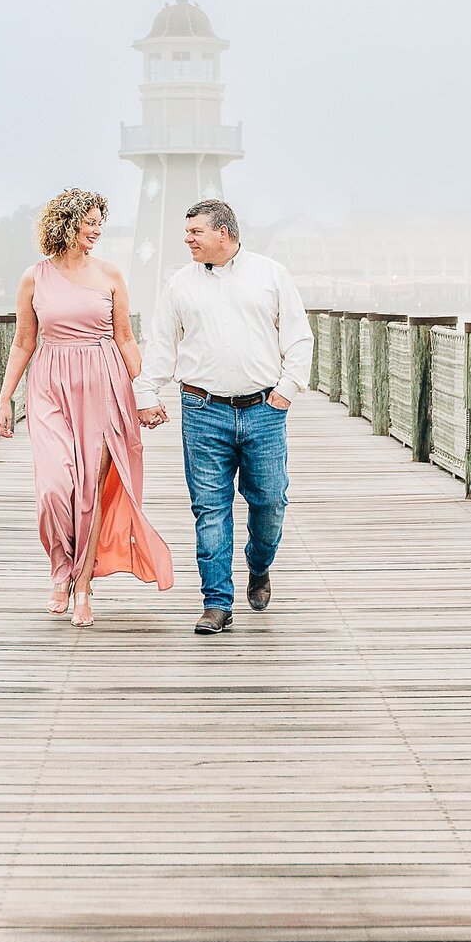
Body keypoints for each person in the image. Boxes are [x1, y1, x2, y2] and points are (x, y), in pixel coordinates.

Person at [0, 188, 173, 627]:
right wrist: (4, 400)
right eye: (89, 222)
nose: (96, 231)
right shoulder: (34, 278)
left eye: (100, 223)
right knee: (55, 488)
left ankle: (82, 585)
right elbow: (23, 342)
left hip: (105, 385)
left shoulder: (110, 275)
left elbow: (127, 339)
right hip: (50, 385)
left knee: (92, 492)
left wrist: (145, 395)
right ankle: (60, 569)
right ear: (66, 223)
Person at [134, 199, 313, 635]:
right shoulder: (179, 284)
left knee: (270, 501)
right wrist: (146, 392)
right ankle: (217, 602)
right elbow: (161, 344)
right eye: (186, 231)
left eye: (195, 231)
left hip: (264, 410)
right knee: (210, 509)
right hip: (201, 409)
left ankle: (259, 564)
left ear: (224, 232)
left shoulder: (271, 274)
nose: (187, 238)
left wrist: (286, 392)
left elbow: (299, 337)